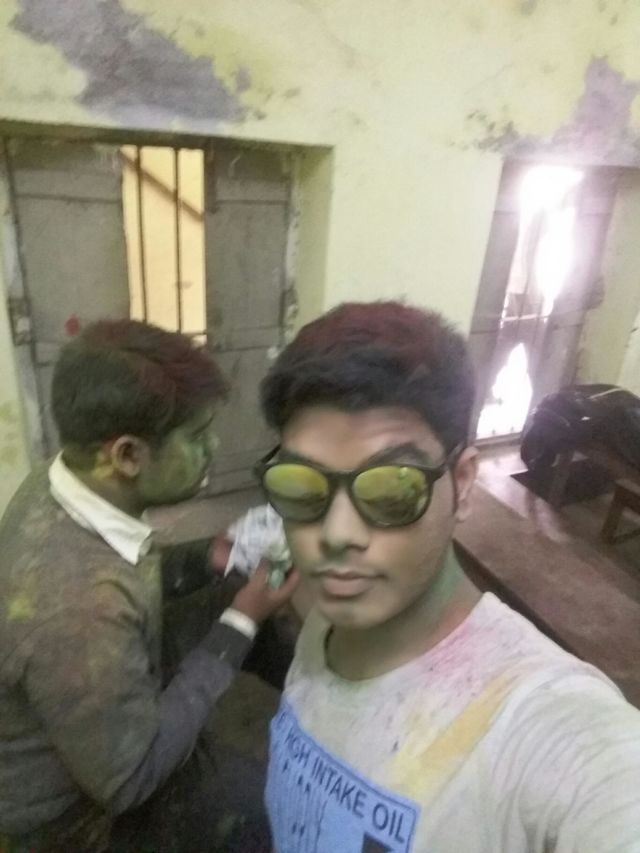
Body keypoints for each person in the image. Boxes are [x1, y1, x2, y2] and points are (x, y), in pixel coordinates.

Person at [257, 301, 640, 853]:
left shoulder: (546, 724)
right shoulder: (324, 620)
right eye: (300, 485)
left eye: (392, 488)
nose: (336, 534)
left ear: (462, 485)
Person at [0, 320, 298, 853]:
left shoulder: (58, 477)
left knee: (233, 598)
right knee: (275, 814)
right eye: (197, 435)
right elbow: (128, 782)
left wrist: (202, 560)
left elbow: (123, 564)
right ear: (127, 456)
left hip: (91, 702)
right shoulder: (77, 606)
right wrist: (242, 621)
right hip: (73, 819)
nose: (214, 445)